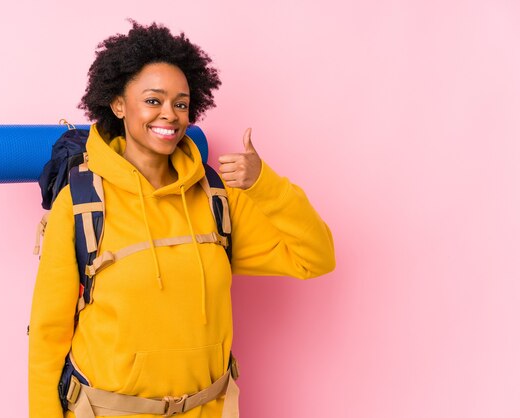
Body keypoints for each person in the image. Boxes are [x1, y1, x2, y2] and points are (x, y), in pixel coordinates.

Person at [28, 21, 336, 418]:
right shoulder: (82, 203)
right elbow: (48, 338)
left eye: (180, 103)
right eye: (153, 100)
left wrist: (264, 185)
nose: (169, 115)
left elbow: (316, 257)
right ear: (118, 104)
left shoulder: (216, 200)